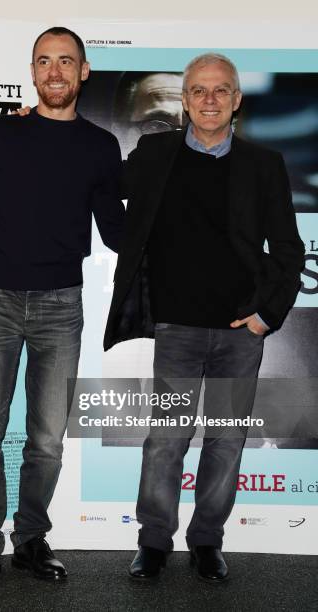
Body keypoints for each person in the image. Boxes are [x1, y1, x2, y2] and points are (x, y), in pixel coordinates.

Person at [104, 53, 304, 582]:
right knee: (167, 437)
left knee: (226, 438)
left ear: (236, 100)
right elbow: (100, 187)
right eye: (199, 90)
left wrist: (268, 313)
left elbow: (288, 248)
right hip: (177, 329)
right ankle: (153, 542)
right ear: (187, 99)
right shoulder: (154, 152)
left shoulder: (264, 165)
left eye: (221, 90)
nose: (209, 99)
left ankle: (207, 541)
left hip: (243, 331)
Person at [0, 26, 124, 588]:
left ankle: (30, 541)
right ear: (33, 70)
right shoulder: (1, 133)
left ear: (84, 71)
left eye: (65, 61)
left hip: (62, 306)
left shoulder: (100, 146)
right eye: (44, 61)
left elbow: (116, 230)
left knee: (46, 438)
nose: (54, 72)